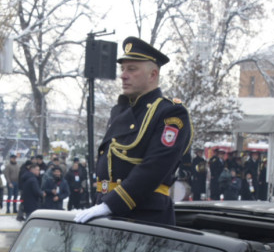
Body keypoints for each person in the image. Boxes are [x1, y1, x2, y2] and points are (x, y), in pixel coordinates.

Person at [76, 36, 193, 225]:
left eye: (132, 69)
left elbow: (155, 167)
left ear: (153, 75)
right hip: (110, 214)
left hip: (145, 219)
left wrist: (110, 205)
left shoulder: (170, 112)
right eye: (122, 69)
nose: (123, 75)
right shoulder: (120, 111)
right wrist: (102, 205)